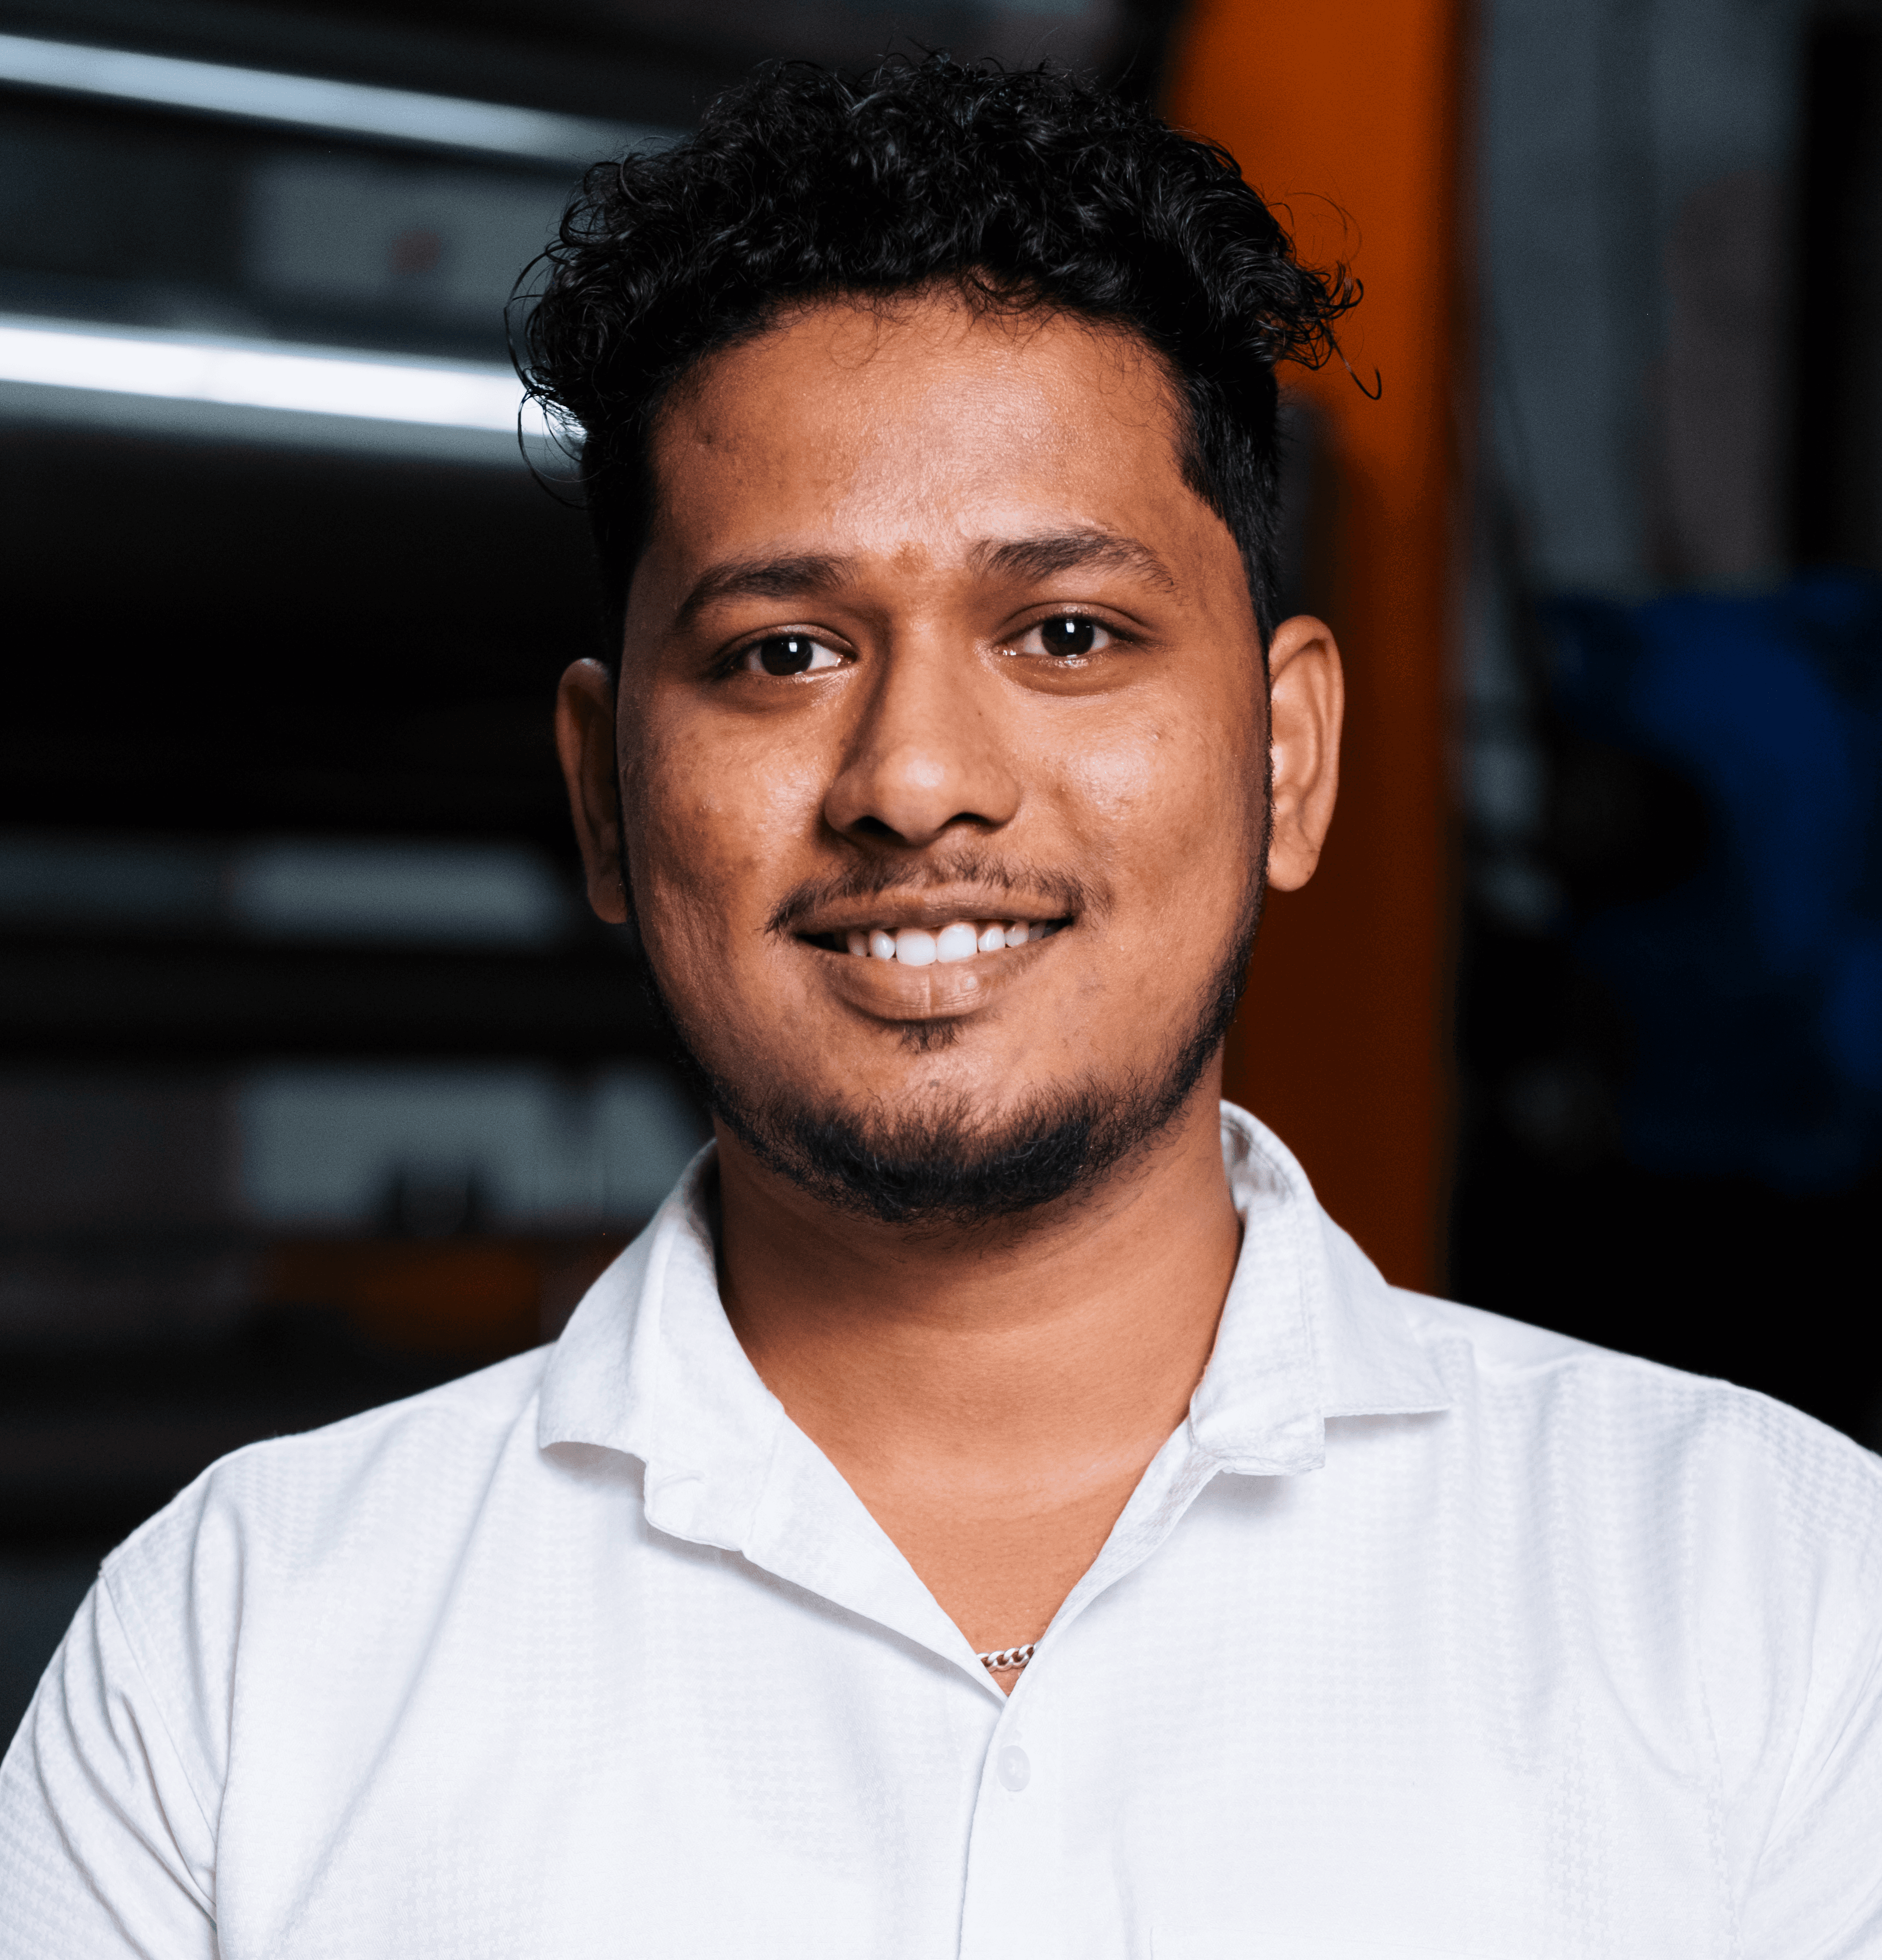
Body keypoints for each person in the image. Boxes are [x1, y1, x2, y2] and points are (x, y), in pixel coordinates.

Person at [3, 55, 1878, 1959]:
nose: (912, 778)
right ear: (598, 792)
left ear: (1288, 757)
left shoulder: (1771, 1602)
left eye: (1066, 634)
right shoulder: (241, 1659)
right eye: (782, 650)